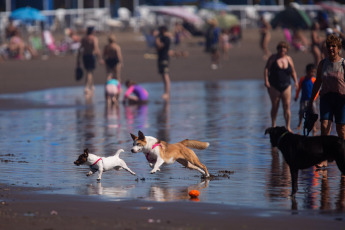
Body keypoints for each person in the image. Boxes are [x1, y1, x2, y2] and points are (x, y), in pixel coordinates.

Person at [308, 34, 345, 168]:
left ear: (338, 48)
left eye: (333, 46)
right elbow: (318, 82)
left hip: (341, 99)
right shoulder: (323, 63)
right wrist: (311, 100)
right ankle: (324, 159)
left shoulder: (343, 63)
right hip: (326, 99)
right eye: (329, 46)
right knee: (324, 127)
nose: (331, 49)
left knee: (341, 130)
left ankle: (343, 156)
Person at [264, 41, 298, 132]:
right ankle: (273, 125)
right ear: (278, 49)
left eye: (284, 48)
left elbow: (293, 71)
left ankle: (288, 126)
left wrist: (295, 81)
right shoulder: (273, 58)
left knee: (287, 106)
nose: (282, 49)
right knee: (275, 105)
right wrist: (266, 81)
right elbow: (266, 69)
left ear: (287, 49)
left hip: (286, 85)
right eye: (280, 48)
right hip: (274, 85)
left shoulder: (289, 59)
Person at [77, 26, 103, 95]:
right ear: (92, 31)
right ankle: (86, 87)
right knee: (89, 72)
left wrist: (78, 59)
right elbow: (96, 48)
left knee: (89, 71)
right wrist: (100, 58)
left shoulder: (84, 39)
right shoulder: (94, 39)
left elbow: (80, 49)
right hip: (91, 56)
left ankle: (91, 85)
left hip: (85, 56)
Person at [294, 63, 318, 133]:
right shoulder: (302, 79)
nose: (313, 73)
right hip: (303, 99)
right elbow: (298, 89)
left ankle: (314, 127)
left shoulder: (314, 80)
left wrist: (314, 98)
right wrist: (296, 96)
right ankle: (300, 124)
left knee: (313, 113)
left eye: (314, 72)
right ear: (307, 71)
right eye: (311, 72)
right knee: (301, 112)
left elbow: (317, 90)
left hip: (312, 100)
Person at [154, 26, 171, 101]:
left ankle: (167, 93)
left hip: (164, 58)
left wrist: (157, 38)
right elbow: (157, 47)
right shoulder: (163, 38)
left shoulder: (166, 38)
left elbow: (160, 46)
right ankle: (166, 92)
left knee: (165, 75)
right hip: (161, 58)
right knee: (163, 76)